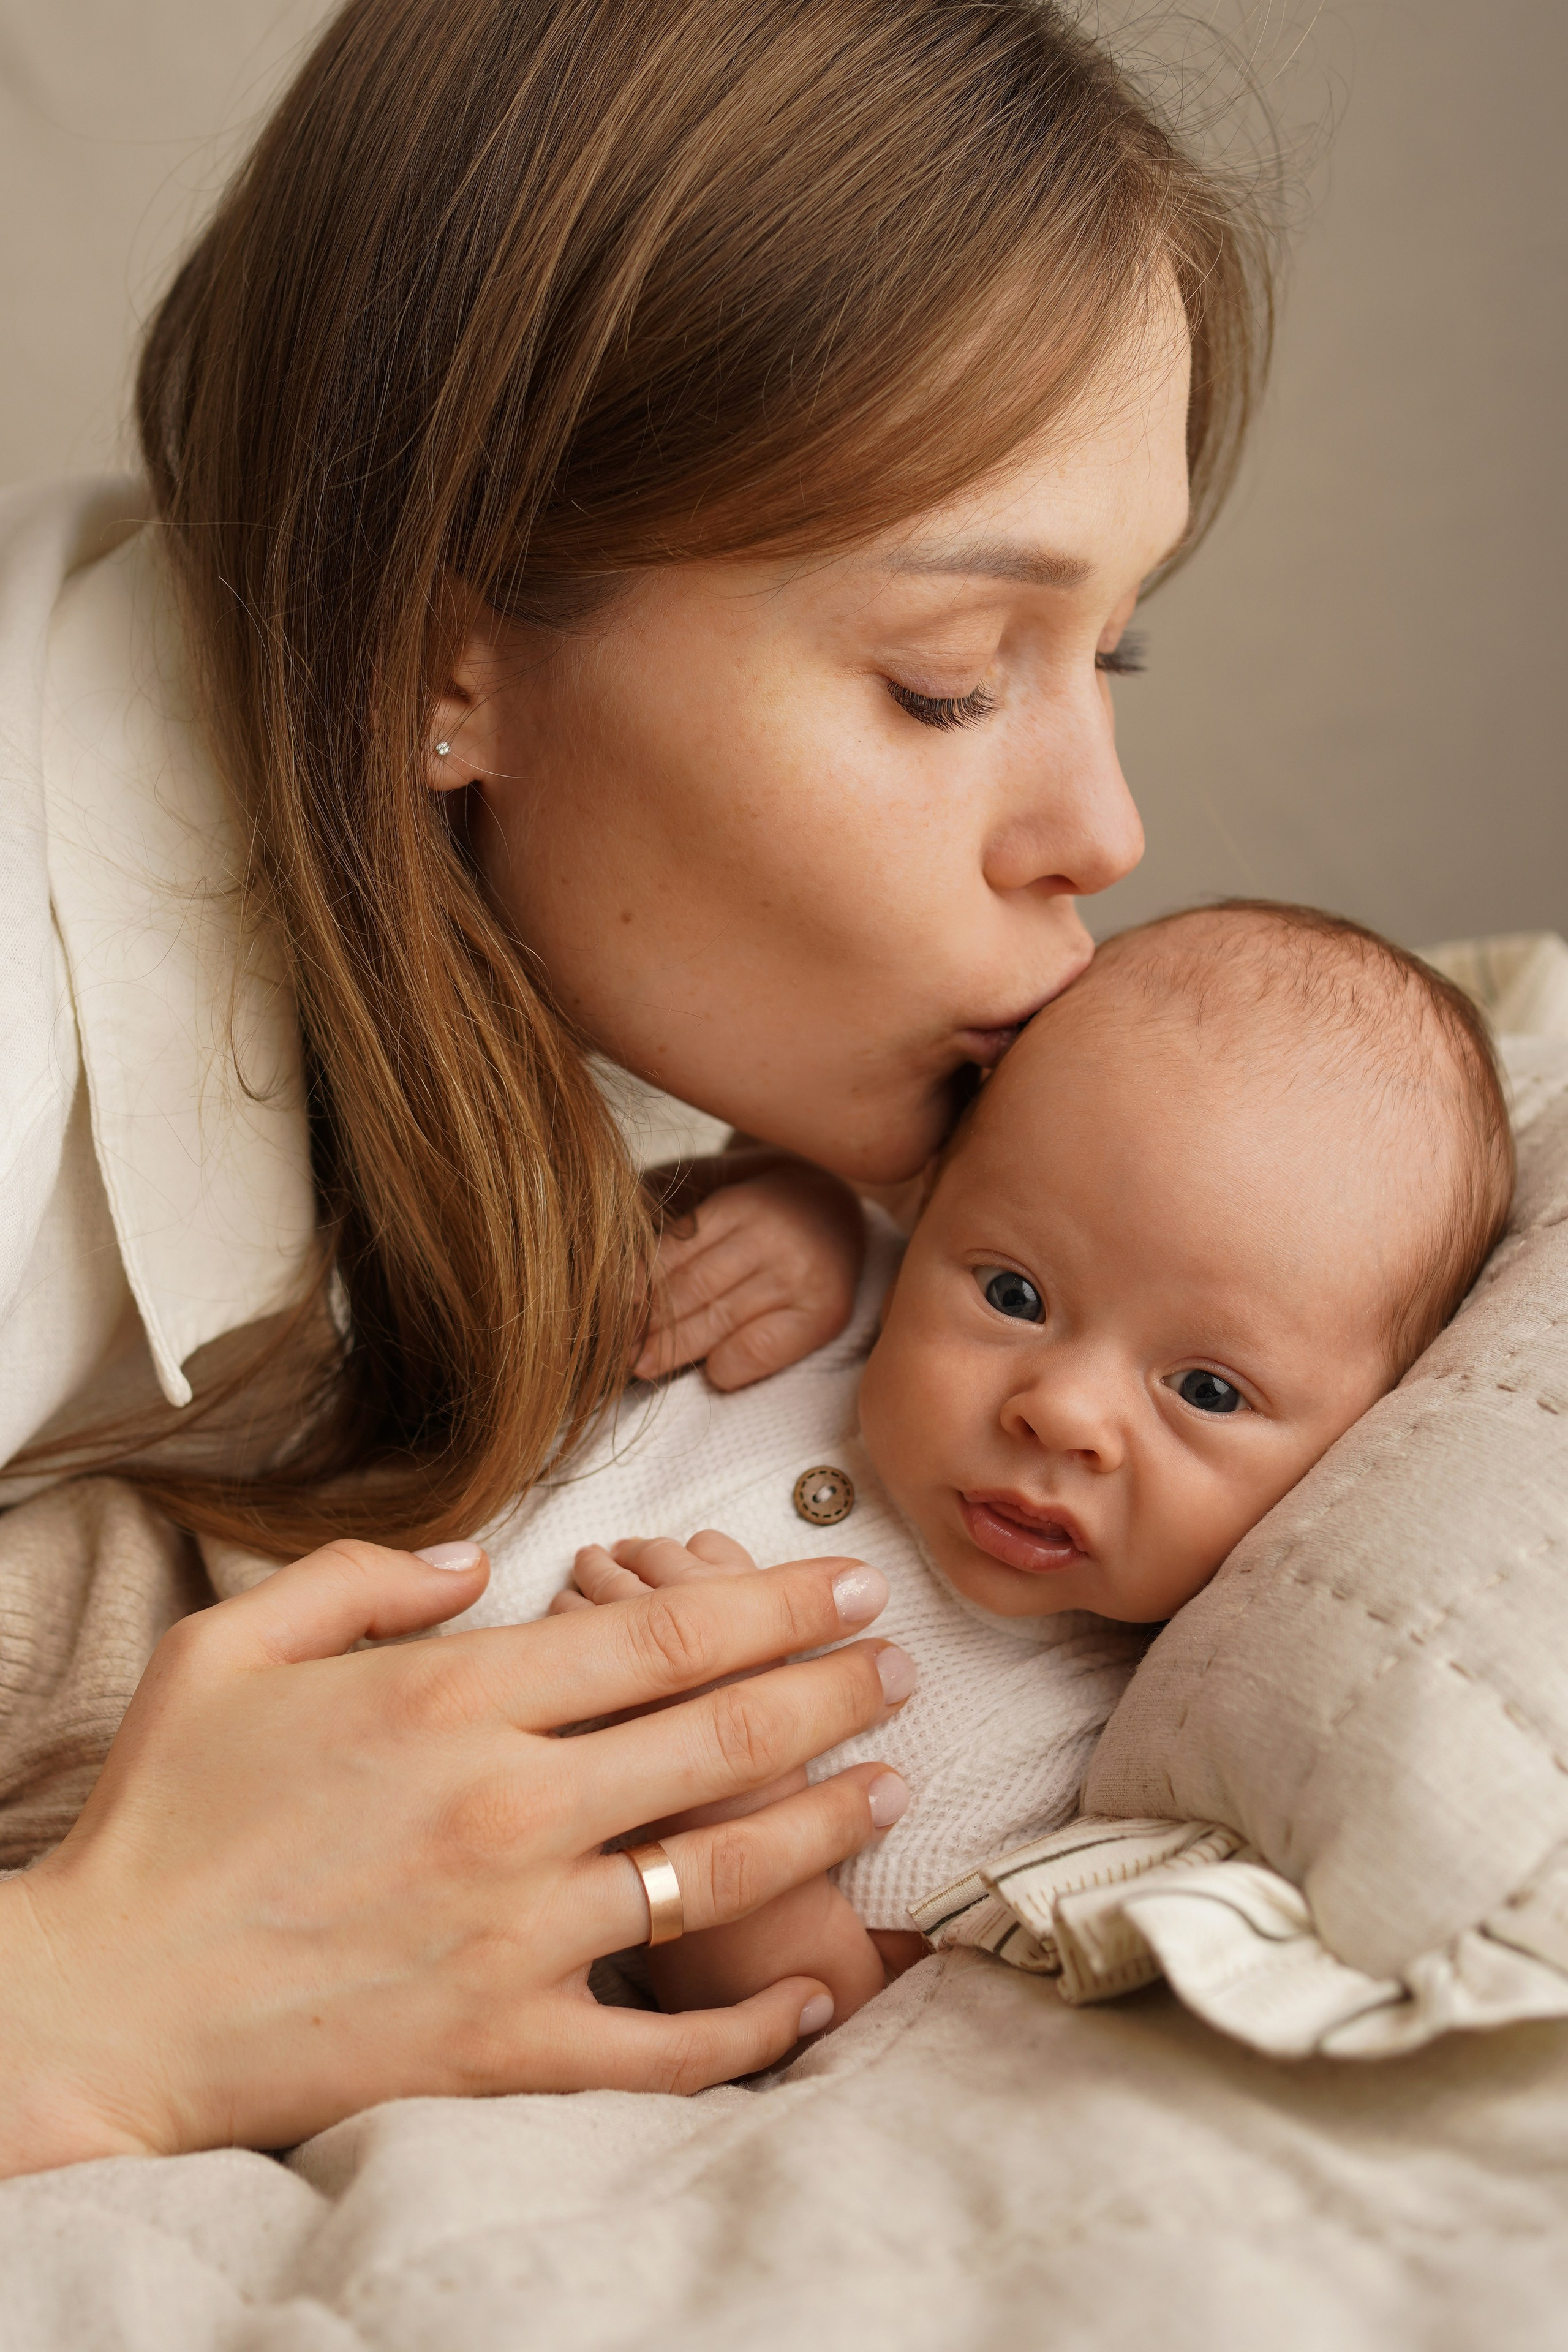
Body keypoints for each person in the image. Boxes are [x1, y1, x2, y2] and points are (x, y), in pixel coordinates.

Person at [0, 0, 1270, 2173]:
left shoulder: (544, 1037)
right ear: (439, 659)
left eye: (1113, 651)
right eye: (952, 677)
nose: (1105, 831)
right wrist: (92, 2011)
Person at [524, 903, 1512, 2022]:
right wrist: (788, 1202)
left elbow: (812, 2009)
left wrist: (728, 1792)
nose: (1064, 1413)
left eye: (1205, 1391)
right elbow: (558, 1293)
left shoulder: (1070, 1748)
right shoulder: (844, 1298)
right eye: (1014, 1295)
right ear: (933, 1203)